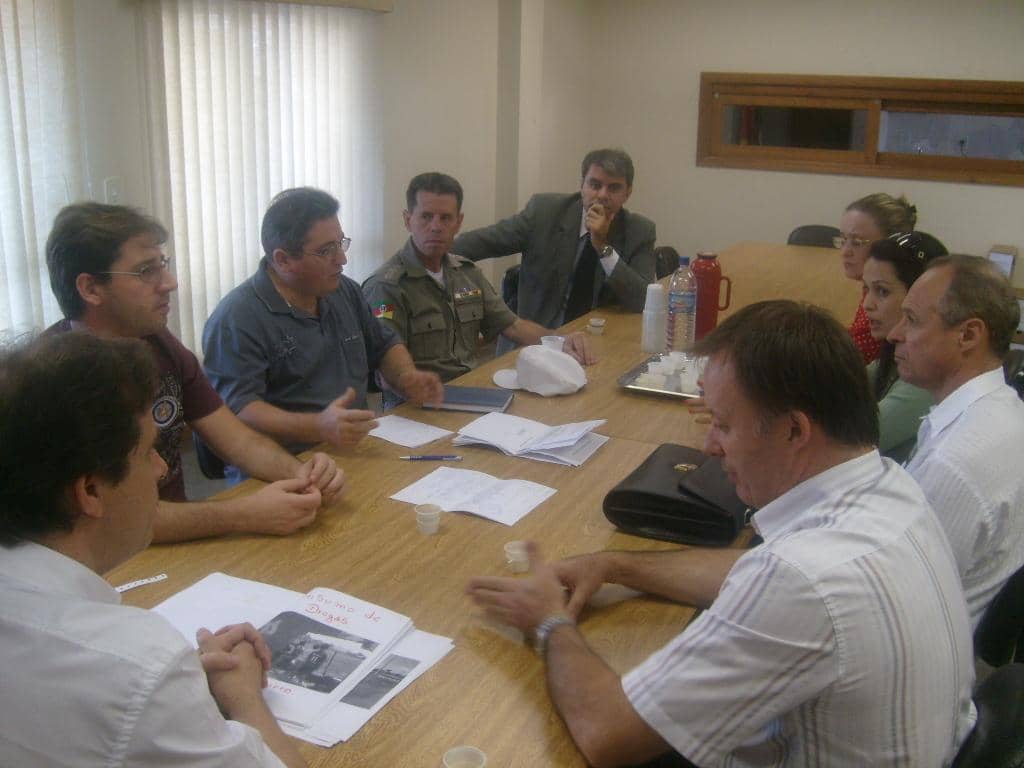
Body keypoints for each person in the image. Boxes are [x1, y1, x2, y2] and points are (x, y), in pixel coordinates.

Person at [468, 300, 974, 768]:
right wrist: (615, 565)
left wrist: (550, 622)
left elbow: (607, 732)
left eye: (725, 426)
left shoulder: (801, 580)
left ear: (794, 430)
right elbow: (750, 569)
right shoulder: (890, 488)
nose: (710, 446)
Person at [0, 332, 305, 768]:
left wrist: (170, 695)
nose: (163, 468)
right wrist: (244, 701)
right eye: (147, 453)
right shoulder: (138, 663)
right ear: (90, 490)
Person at [45, 202, 344, 543]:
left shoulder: (158, 343)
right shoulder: (56, 382)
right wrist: (244, 513)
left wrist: (302, 474)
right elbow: (112, 520)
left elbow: (237, 439)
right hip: (113, 560)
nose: (169, 283)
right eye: (145, 271)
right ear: (90, 289)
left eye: (163, 265)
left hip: (179, 540)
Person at [203, 187, 444, 453]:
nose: (342, 258)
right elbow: (240, 410)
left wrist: (406, 376)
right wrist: (317, 425)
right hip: (280, 463)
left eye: (341, 243)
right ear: (283, 260)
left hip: (355, 446)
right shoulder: (237, 318)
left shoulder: (343, 290)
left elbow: (383, 344)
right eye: (326, 250)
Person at [889, 254, 1024, 629]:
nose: (894, 334)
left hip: (922, 655)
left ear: (967, 335)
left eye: (912, 320)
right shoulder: (1004, 409)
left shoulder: (954, 463)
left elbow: (893, 602)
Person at [362, 172, 596, 383]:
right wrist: (413, 385)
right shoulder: (387, 285)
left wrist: (560, 340)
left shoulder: (467, 274)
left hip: (470, 390)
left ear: (458, 223)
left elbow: (512, 326)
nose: (435, 227)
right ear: (407, 220)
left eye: (445, 218)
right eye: (426, 216)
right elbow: (386, 359)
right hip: (414, 407)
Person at [453, 148, 656, 331]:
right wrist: (429, 252)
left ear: (627, 193)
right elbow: (482, 242)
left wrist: (602, 247)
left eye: (613, 188)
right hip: (536, 339)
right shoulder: (545, 212)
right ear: (582, 185)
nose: (602, 195)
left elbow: (643, 300)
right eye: (595, 185)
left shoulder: (639, 231)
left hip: (597, 340)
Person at [861, 232, 943, 463]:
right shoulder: (894, 356)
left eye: (882, 291)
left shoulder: (925, 375)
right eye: (866, 289)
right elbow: (839, 383)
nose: (867, 305)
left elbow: (848, 443)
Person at [835, 193, 925, 364]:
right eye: (843, 239)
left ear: (890, 245)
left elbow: (849, 358)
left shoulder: (892, 307)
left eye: (857, 242)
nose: (844, 251)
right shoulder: (871, 286)